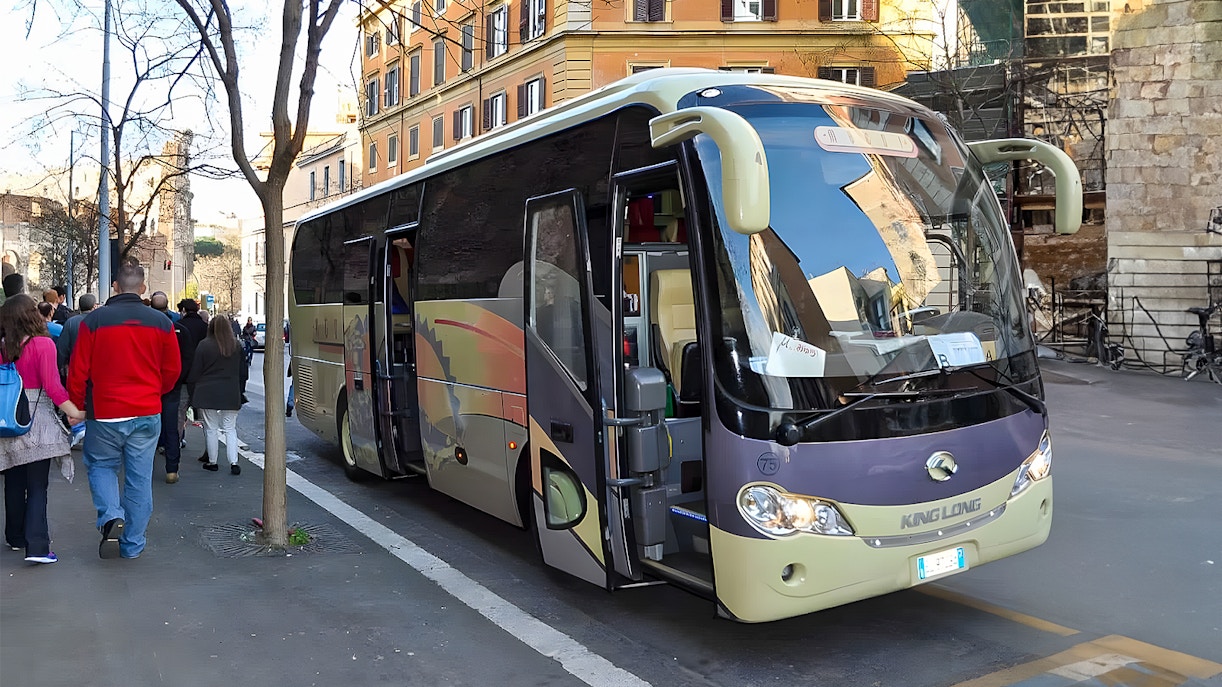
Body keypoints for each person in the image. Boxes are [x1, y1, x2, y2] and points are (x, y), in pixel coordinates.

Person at [68, 262, 181, 560]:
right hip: (145, 410)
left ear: (115, 286)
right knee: (139, 478)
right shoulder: (162, 322)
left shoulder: (94, 321)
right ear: (142, 288)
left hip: (105, 411)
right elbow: (173, 370)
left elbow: (79, 370)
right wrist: (155, 392)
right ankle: (132, 544)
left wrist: (77, 405)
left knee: (102, 466)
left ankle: (110, 515)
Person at [0, 295, 87, 564]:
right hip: (36, 419)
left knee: (13, 481)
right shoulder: (43, 344)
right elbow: (53, 386)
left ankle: (15, 537)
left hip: (7, 419)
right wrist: (76, 412)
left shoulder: (3, 346)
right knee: (37, 485)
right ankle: (37, 546)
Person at [187, 315, 246, 475]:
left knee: (211, 428)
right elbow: (243, 372)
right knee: (230, 428)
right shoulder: (236, 345)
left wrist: (191, 391)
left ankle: (212, 462)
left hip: (207, 392)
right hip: (231, 392)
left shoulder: (204, 345)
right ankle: (234, 462)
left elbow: (195, 372)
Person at [150, 292, 193, 484]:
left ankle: (144, 465)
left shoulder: (148, 329)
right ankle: (172, 469)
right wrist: (179, 378)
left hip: (150, 385)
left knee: (147, 427)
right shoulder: (180, 330)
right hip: (173, 385)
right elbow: (187, 358)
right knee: (172, 426)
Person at [176, 299, 208, 447]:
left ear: (183, 310)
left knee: (180, 412)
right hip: (202, 377)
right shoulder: (205, 327)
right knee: (206, 418)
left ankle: (176, 442)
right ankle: (209, 448)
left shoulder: (180, 327)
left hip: (184, 376)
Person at [56, 293, 98, 380]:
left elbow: (62, 348)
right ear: (94, 306)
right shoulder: (101, 321)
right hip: (97, 370)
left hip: (76, 369)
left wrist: (62, 367)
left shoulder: (71, 322)